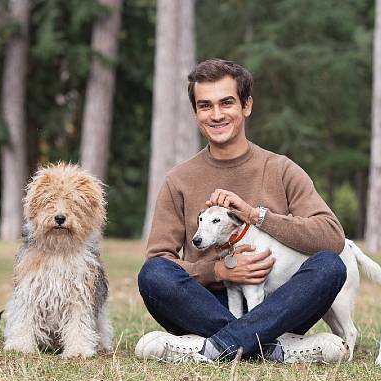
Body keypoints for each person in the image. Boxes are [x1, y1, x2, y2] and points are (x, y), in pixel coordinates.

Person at [135, 59, 348, 363]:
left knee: (330, 266)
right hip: (207, 304)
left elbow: (332, 236)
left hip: (278, 304)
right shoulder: (178, 180)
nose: (217, 114)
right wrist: (217, 271)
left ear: (246, 105)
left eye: (227, 102)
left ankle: (211, 347)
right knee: (153, 275)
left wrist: (255, 215)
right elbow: (160, 261)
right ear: (196, 113)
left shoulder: (281, 169)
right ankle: (273, 349)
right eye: (205, 106)